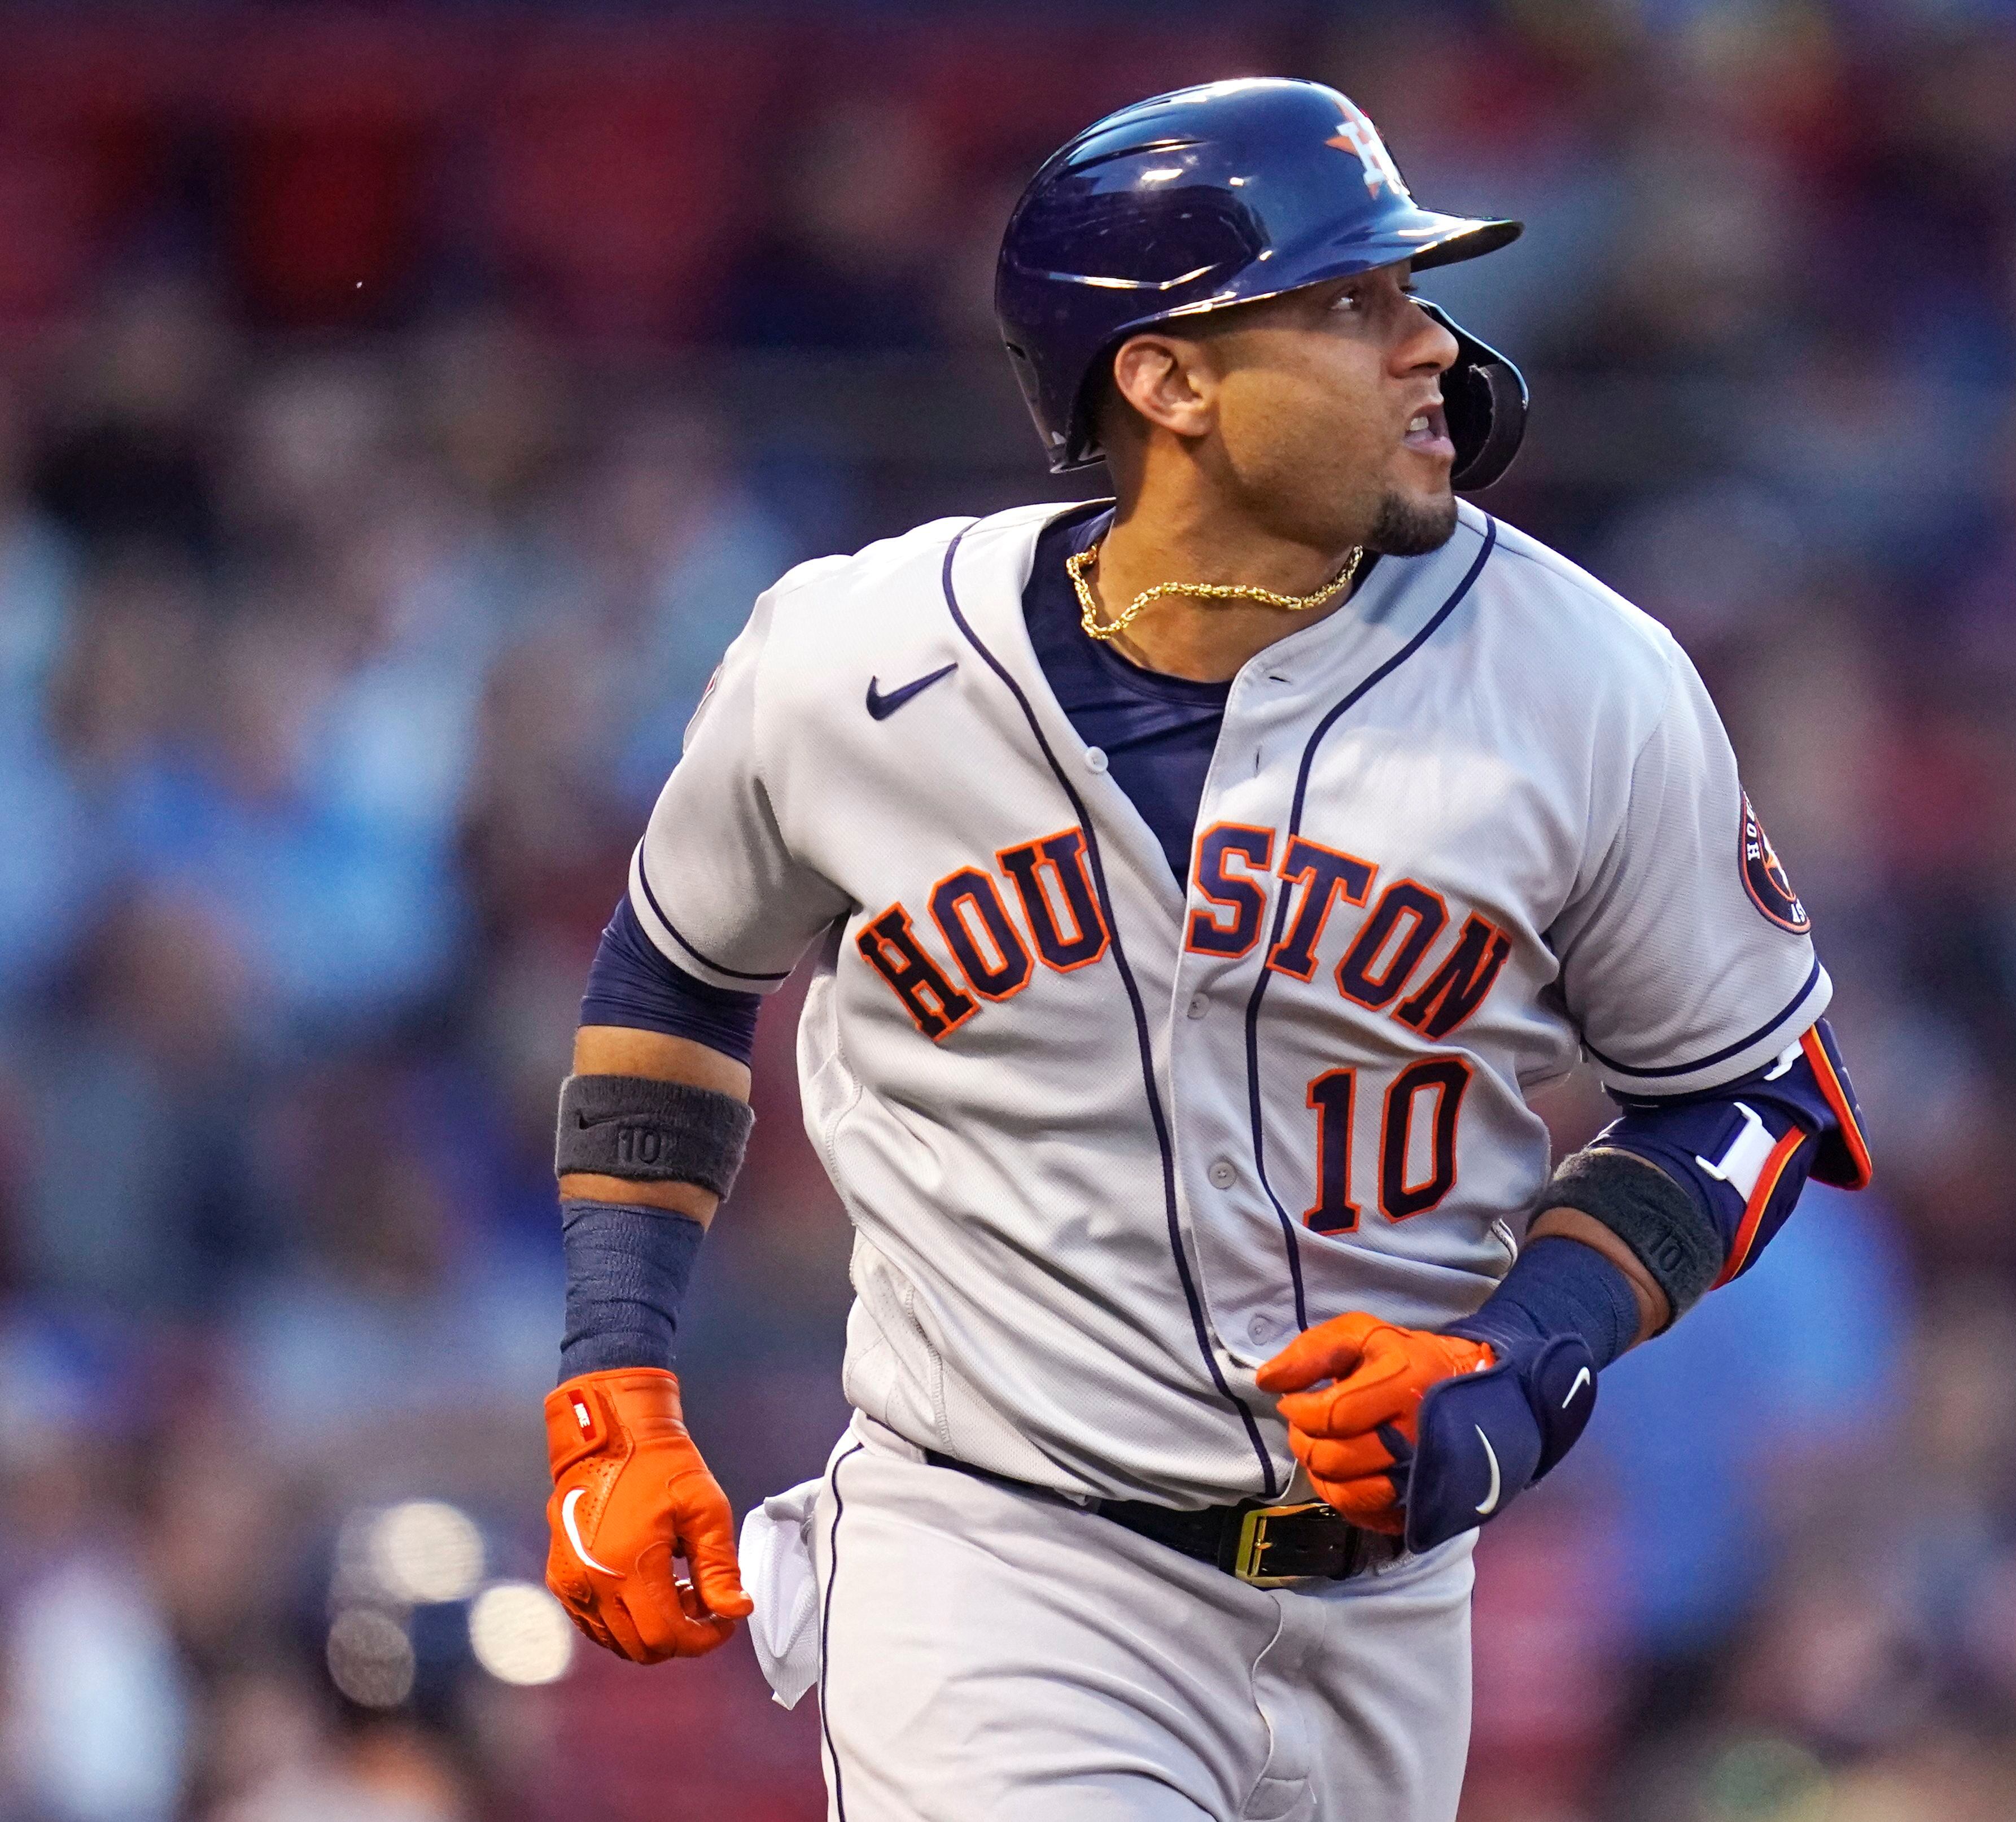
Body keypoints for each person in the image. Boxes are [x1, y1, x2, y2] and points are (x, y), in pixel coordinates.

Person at [536, 78, 1871, 1821]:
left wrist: (1530, 1350)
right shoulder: (852, 664)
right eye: (1348, 305)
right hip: (1001, 1558)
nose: (1425, 348)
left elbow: (1754, 1093)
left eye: (1409, 295)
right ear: (1165, 380)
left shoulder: (1583, 680)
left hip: (1392, 1601)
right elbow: (673, 980)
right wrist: (613, 1373)